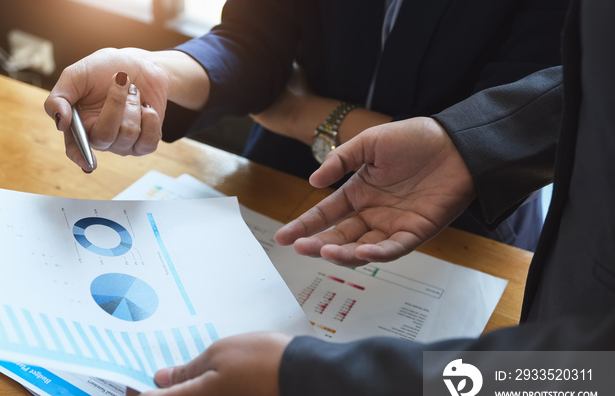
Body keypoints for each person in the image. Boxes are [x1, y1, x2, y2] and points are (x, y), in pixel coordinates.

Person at [124, 1, 614, 396]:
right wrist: (468, 142)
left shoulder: (566, 377)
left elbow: (577, 385)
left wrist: (312, 388)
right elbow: (588, 79)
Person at [44, 0, 568, 251]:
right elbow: (254, 42)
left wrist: (302, 114)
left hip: (457, 221)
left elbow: (508, 120)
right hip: (285, 184)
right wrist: (155, 70)